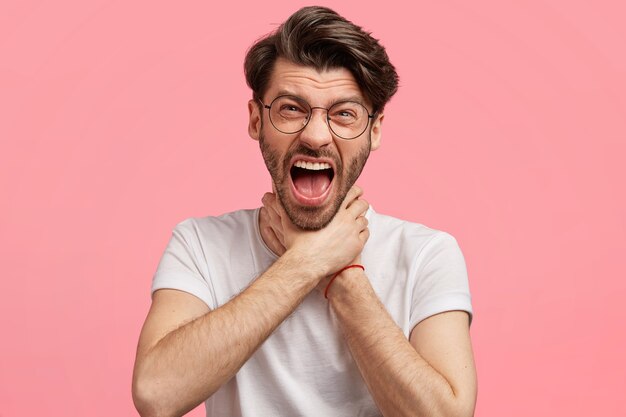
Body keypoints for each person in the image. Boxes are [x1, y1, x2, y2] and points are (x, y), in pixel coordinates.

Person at [132, 6, 476, 417]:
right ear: (257, 120)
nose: (315, 137)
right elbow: (156, 394)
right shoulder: (200, 245)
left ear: (375, 129)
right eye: (291, 109)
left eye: (344, 114)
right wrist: (306, 263)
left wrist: (344, 276)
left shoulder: (427, 254)